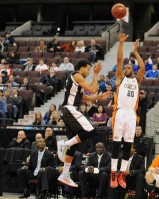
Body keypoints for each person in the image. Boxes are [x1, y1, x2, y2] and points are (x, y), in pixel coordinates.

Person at [56, 60, 112, 187]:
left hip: (67, 111)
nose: (88, 71)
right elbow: (92, 89)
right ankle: (64, 144)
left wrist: (100, 97)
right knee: (92, 130)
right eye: (87, 69)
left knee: (75, 144)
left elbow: (84, 97)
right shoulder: (77, 75)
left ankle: (65, 174)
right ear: (81, 69)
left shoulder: (76, 80)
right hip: (70, 109)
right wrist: (96, 74)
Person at [110, 34, 145, 189]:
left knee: (129, 144)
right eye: (125, 68)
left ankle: (122, 173)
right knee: (117, 144)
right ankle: (113, 172)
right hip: (120, 112)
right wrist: (121, 44)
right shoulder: (120, 79)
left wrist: (136, 52)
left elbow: (143, 67)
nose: (126, 69)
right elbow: (119, 60)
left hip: (131, 113)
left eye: (129, 67)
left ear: (133, 69)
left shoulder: (137, 80)